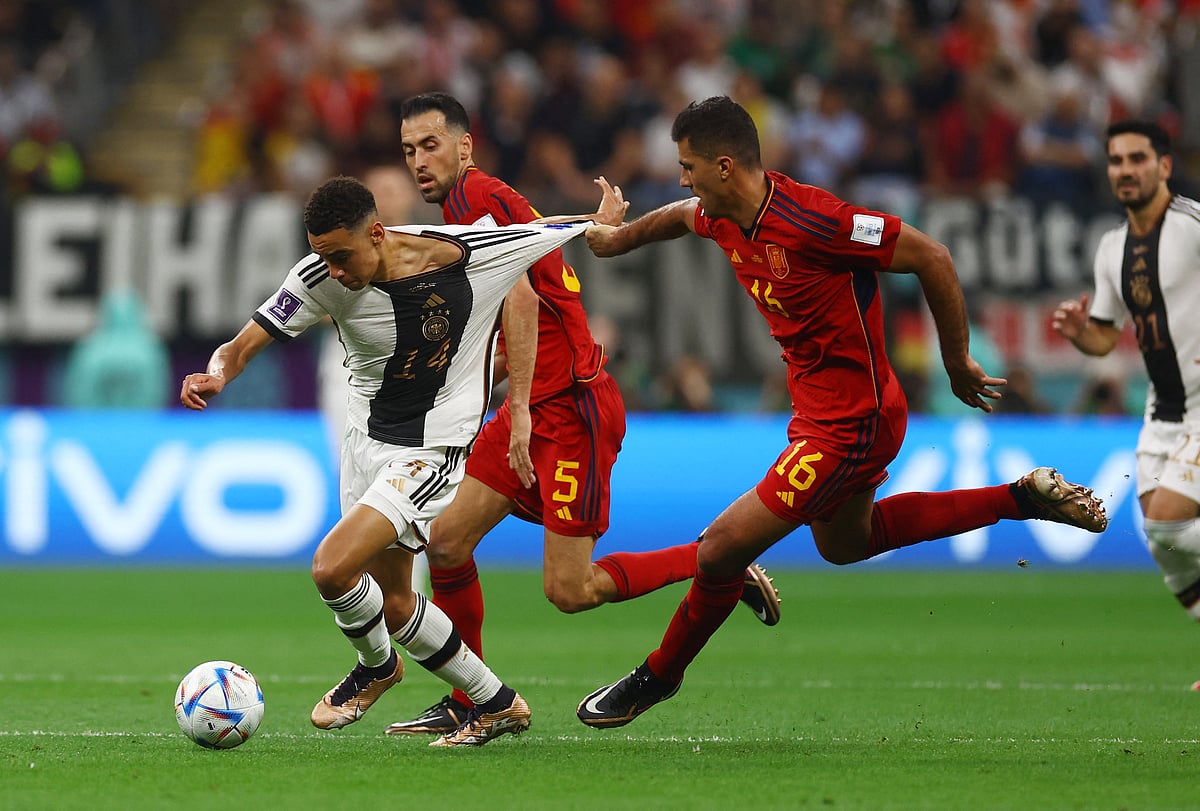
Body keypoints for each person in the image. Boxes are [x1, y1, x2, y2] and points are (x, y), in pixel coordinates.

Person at [575, 96, 1109, 728]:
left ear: (725, 167)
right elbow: (677, 217)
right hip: (819, 414)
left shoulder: (817, 221)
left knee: (719, 550)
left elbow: (931, 256)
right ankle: (1020, 499)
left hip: (855, 421)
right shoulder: (722, 215)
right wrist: (614, 240)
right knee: (847, 543)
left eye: (689, 165)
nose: (682, 177)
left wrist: (957, 359)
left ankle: (658, 676)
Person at [383, 91, 781, 737]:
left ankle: (717, 564)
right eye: (408, 151)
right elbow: (534, 240)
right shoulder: (475, 202)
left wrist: (512, 408)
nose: (419, 161)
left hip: (569, 410)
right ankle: (474, 699)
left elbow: (518, 293)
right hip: (536, 402)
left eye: (430, 146)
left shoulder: (476, 197)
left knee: (571, 589)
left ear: (464, 147)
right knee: (447, 540)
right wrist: (587, 223)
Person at [181, 175, 618, 746]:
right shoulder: (318, 277)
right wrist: (215, 374)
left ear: (379, 234)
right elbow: (240, 347)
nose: (332, 270)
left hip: (431, 448)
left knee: (331, 568)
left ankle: (377, 668)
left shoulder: (470, 256)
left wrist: (600, 216)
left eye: (341, 255)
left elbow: (554, 230)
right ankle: (498, 702)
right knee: (392, 601)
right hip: (364, 443)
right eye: (321, 256)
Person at [1053, 120, 1200, 627]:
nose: (1125, 171)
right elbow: (1105, 337)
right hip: (1162, 411)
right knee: (1166, 548)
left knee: (1168, 522)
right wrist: (1079, 333)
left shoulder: (1193, 226)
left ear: (1164, 166)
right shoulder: (1112, 248)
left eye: (1137, 159)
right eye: (1116, 161)